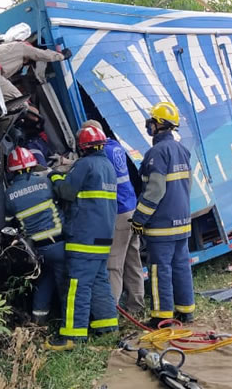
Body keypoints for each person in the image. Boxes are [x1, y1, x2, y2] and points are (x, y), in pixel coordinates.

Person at [44, 125, 119, 351]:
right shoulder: (107, 166)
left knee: (77, 285)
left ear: (81, 147)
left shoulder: (85, 164)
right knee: (99, 281)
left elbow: (66, 192)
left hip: (84, 237)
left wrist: (55, 176)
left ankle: (72, 337)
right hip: (103, 237)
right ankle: (107, 326)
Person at [131, 102, 195, 328]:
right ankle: (186, 311)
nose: (148, 126)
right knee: (181, 265)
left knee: (160, 270)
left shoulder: (156, 153)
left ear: (159, 125)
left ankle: (162, 316)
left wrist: (139, 219)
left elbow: (155, 190)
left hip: (162, 225)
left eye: (151, 121)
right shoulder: (182, 150)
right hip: (182, 221)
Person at [82, 119, 144, 314]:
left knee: (113, 265)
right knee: (133, 260)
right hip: (132, 208)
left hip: (118, 213)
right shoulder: (115, 147)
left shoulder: (102, 154)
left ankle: (111, 313)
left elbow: (91, 170)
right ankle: (137, 305)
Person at [4, 146, 66, 325]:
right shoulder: (45, 183)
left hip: (38, 249)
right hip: (60, 244)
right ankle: (67, 322)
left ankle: (38, 321)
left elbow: (9, 221)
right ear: (32, 166)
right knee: (66, 285)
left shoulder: (9, 195)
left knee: (44, 280)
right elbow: (63, 196)